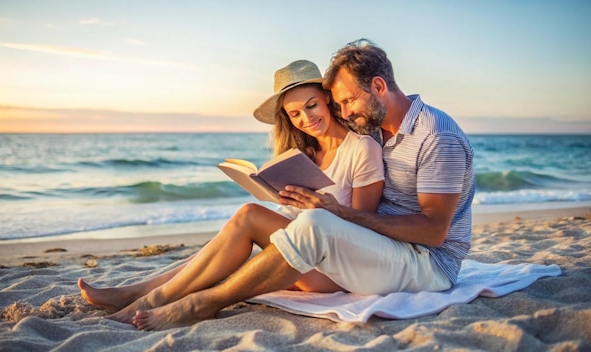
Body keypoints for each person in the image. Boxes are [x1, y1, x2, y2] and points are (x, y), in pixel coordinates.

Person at [77, 59, 385, 328]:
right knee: (218, 251)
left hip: (334, 271)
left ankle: (149, 297)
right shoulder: (305, 154)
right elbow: (298, 220)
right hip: (299, 255)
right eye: (295, 114)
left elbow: (364, 229)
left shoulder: (362, 149)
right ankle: (137, 293)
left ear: (328, 100)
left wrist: (325, 208)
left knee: (248, 216)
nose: (306, 118)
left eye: (311, 105)